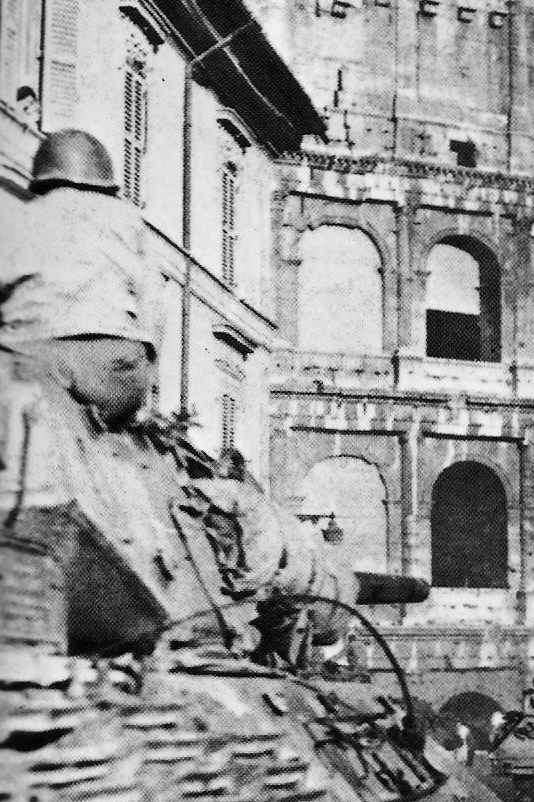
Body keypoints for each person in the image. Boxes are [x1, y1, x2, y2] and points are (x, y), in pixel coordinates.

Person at [0, 130, 360, 663]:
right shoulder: (127, 221)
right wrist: (137, 390)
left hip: (29, 364)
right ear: (103, 179)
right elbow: (154, 310)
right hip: (117, 367)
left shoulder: (19, 214)